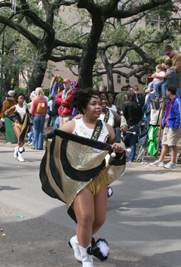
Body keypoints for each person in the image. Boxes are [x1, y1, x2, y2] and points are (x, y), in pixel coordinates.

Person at [43, 90, 125, 267]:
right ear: (83, 106)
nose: (98, 107)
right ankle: (86, 258)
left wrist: (118, 147)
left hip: (99, 177)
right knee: (86, 218)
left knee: (99, 219)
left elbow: (114, 145)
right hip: (78, 178)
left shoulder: (107, 128)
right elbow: (53, 142)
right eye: (93, 104)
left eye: (100, 104)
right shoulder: (73, 126)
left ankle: (77, 240)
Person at [150, 86, 181, 169]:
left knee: (172, 144)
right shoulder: (170, 101)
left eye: (166, 91)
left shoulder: (177, 101)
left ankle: (173, 162)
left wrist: (177, 125)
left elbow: (180, 114)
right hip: (167, 124)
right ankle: (160, 161)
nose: (165, 92)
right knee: (164, 143)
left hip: (173, 125)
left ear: (169, 92)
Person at [4, 93, 31, 162]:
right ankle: (20, 155)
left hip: (24, 125)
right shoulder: (15, 107)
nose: (22, 99)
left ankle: (17, 148)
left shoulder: (25, 107)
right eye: (20, 98)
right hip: (17, 124)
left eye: (23, 98)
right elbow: (6, 112)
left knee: (24, 140)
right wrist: (13, 119)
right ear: (17, 99)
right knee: (20, 138)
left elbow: (28, 116)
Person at [121, 90, 143, 162]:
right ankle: (131, 158)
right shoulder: (137, 105)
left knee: (122, 141)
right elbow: (141, 115)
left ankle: (122, 156)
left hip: (127, 125)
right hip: (135, 125)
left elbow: (123, 115)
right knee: (132, 142)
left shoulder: (125, 104)